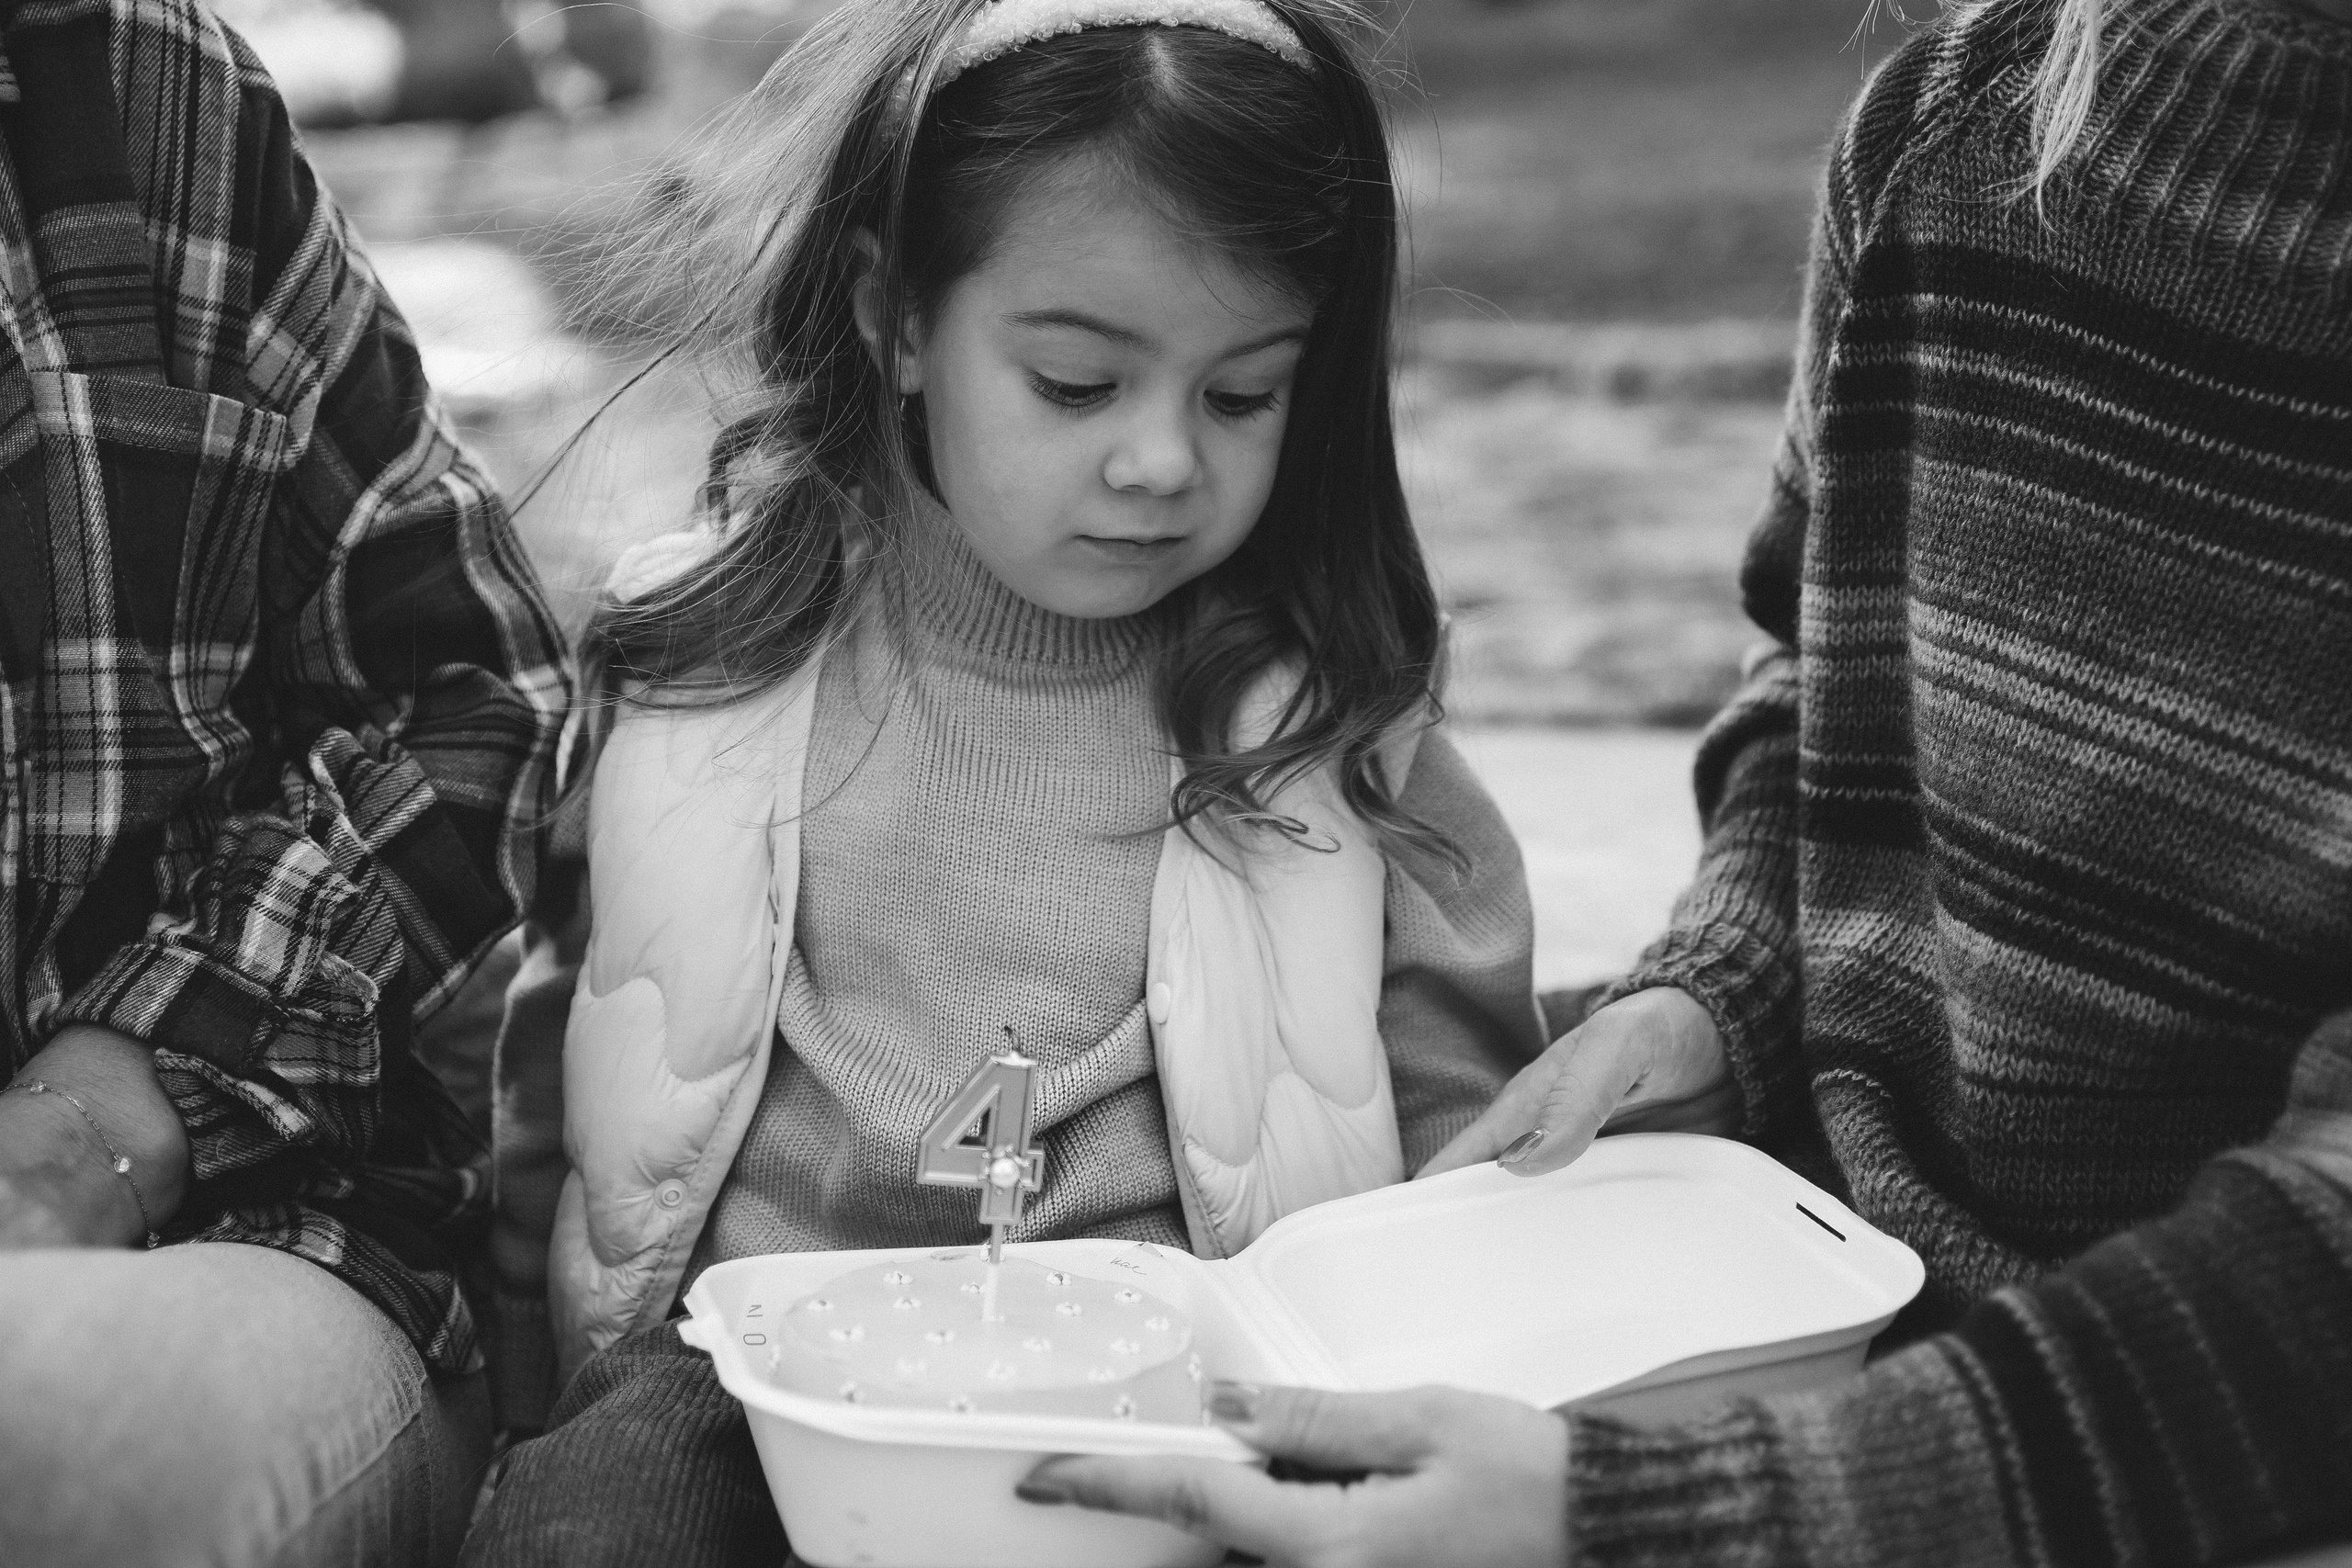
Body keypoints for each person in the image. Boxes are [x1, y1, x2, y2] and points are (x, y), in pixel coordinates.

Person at [1018, 0, 2352, 1561]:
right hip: (1831, 1303)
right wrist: (1731, 995)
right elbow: (1831, 673)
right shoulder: (1951, 126)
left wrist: (1657, 1521)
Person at [460, 0, 1545, 1559]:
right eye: (1076, 385)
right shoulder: (703, 670)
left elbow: (1457, 1121)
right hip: (757, 1388)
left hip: (1174, 1393)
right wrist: (518, 1374)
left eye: (1240, 394)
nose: (1162, 461)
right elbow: (572, 1049)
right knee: (588, 1516)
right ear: (895, 317)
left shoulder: (1326, 728)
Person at [0, 0, 571, 1562]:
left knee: (75, 1444)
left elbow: (460, 681)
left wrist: (97, 1119)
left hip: (230, 1231)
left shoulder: (130, 84)